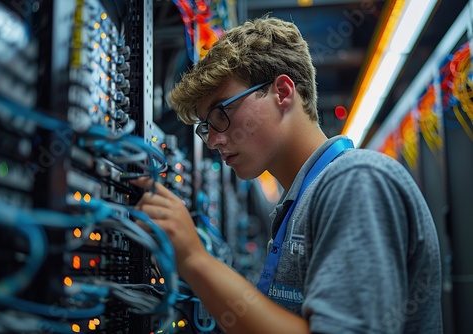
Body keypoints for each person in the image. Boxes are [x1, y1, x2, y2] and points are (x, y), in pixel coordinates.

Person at [131, 16, 443, 333]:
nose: (213, 139)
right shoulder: (300, 202)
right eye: (204, 128)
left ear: (282, 91)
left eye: (220, 114)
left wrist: (194, 258)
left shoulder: (356, 179)